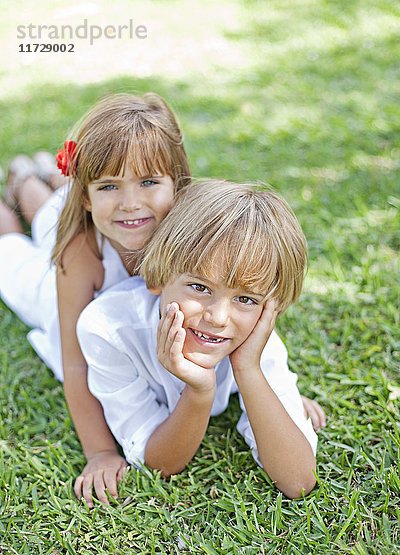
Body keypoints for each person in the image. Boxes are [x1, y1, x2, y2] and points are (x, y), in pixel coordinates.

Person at [0, 93, 191, 506]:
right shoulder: (80, 249)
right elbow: (74, 361)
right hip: (59, 285)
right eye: (109, 185)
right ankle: (19, 184)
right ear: (87, 195)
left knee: (53, 212)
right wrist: (100, 451)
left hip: (87, 217)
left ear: (178, 181)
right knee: (15, 254)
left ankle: (32, 178)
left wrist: (267, 387)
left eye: (149, 181)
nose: (131, 202)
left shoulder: (187, 230)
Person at [77, 180, 319, 499]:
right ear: (159, 277)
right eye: (200, 288)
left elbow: (298, 480)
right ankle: (26, 183)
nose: (218, 318)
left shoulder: (255, 342)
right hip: (55, 303)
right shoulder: (107, 329)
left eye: (245, 299)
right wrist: (200, 392)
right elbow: (158, 462)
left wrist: (249, 371)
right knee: (16, 255)